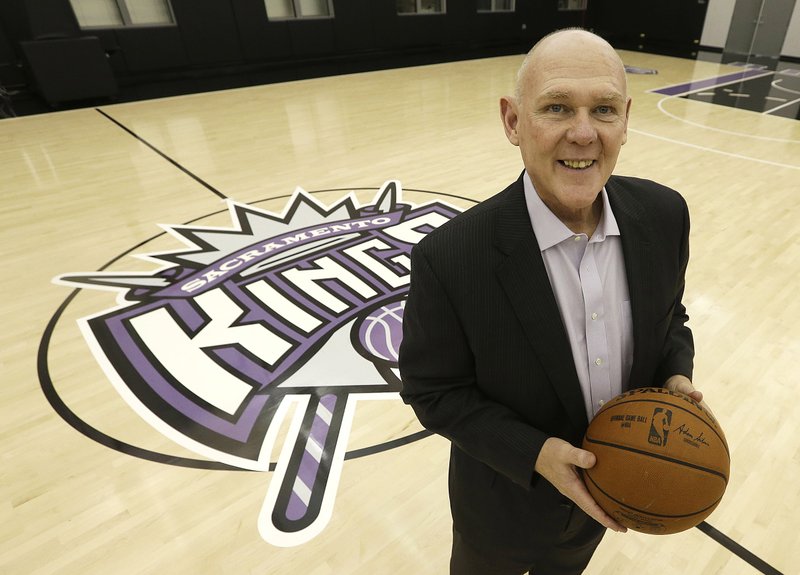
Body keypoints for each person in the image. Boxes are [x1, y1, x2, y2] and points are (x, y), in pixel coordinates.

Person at [398, 28, 701, 575]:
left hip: (606, 502)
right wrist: (532, 454)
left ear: (626, 119)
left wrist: (676, 374)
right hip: (500, 509)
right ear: (513, 121)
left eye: (604, 109)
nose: (583, 134)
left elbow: (670, 317)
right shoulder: (452, 257)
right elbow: (432, 391)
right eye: (557, 107)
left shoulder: (664, 215)